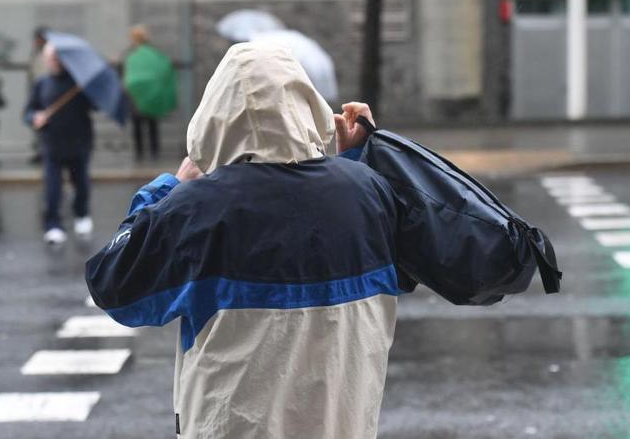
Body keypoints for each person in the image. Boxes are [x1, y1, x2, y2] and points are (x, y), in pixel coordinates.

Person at [86, 43, 418, 438]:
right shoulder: (367, 191)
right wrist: (356, 159)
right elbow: (395, 271)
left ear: (214, 116)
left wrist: (169, 190)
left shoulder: (197, 209)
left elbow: (115, 285)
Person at [24, 44, 94, 245]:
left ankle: (81, 214)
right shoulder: (41, 84)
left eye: (56, 58)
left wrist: (86, 90)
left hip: (78, 142)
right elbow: (28, 111)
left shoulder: (78, 84)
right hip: (52, 144)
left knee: (81, 183)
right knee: (52, 188)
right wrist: (34, 118)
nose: (53, 62)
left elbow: (94, 106)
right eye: (50, 58)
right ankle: (53, 225)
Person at [121, 25, 177, 161]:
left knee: (138, 127)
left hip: (135, 98)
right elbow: (164, 71)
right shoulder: (155, 55)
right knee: (152, 126)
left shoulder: (132, 56)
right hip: (153, 96)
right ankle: (154, 153)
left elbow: (129, 77)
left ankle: (139, 154)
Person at [27, 26, 48, 165]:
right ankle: (40, 150)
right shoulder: (34, 55)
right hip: (37, 94)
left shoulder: (48, 54)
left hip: (46, 93)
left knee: (45, 124)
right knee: (37, 123)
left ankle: (44, 151)